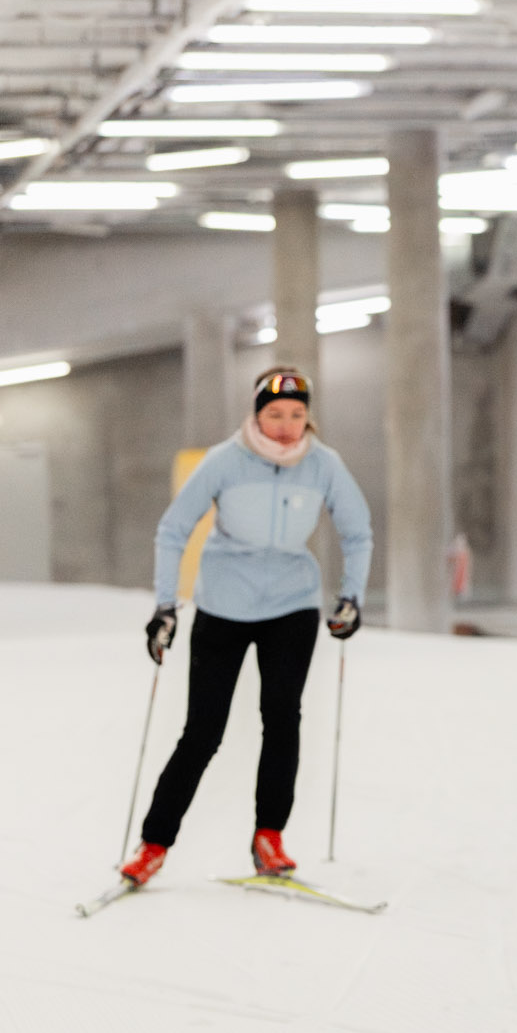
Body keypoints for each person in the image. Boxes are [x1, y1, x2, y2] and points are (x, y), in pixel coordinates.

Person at [119, 367, 373, 888]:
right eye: (274, 414)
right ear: (256, 414)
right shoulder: (225, 461)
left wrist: (352, 596)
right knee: (203, 732)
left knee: (282, 721)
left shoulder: (323, 464)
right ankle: (153, 845)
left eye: (297, 415)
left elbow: (357, 532)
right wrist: (165, 606)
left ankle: (269, 838)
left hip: (292, 606)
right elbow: (173, 529)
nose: (286, 425)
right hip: (224, 606)